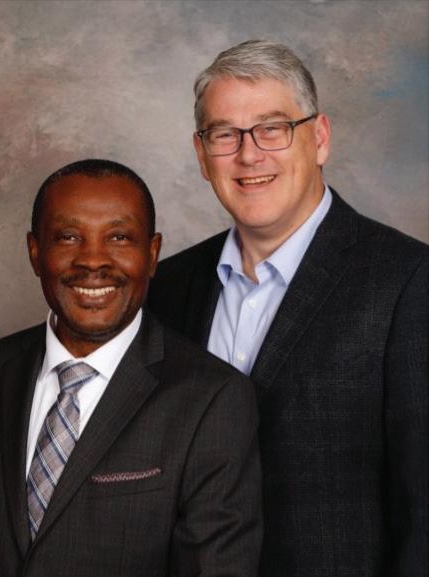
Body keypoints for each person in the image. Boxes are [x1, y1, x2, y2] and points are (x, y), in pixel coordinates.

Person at [148, 40, 428, 576]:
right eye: (225, 134)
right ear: (202, 155)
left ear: (319, 138)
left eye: (272, 128)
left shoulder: (409, 281)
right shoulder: (167, 288)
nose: (249, 155)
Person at [0, 159, 263, 577]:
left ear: (152, 254)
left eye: (119, 237)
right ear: (35, 252)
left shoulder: (211, 400)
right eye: (68, 237)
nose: (92, 260)